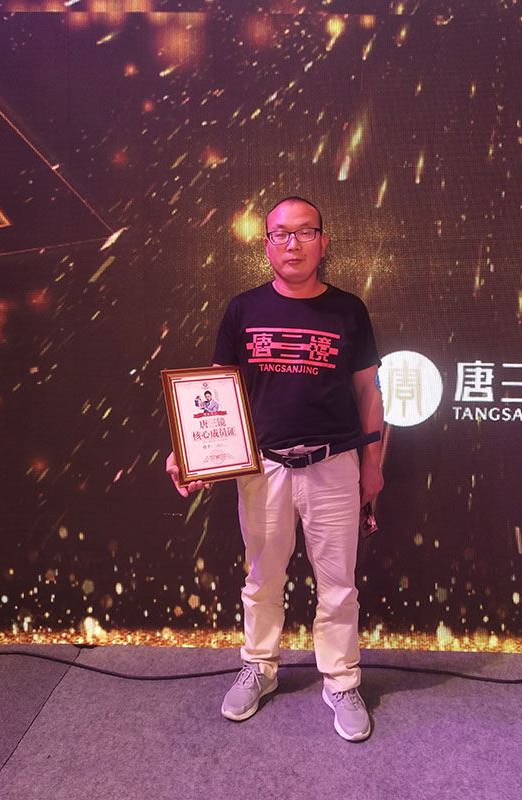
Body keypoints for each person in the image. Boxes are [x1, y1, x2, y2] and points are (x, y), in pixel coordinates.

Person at [166, 196, 384, 741]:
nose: (293, 243)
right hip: (263, 467)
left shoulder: (349, 310)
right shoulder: (243, 310)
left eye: (305, 232)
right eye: (281, 234)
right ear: (266, 245)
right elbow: (215, 394)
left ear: (323, 243)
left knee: (339, 585)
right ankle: (259, 667)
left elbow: (368, 392)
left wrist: (373, 465)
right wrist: (188, 452)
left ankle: (341, 679)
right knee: (263, 578)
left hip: (334, 464)